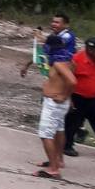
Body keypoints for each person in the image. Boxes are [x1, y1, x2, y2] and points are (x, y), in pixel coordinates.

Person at [33, 35, 76, 179]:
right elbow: (67, 80)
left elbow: (72, 81)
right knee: (59, 131)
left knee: (45, 135)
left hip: (54, 103)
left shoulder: (58, 63)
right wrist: (67, 97)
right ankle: (58, 160)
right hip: (59, 104)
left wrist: (64, 95)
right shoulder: (69, 61)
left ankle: (54, 169)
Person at [64, 37, 95, 159]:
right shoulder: (77, 59)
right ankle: (67, 146)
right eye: (90, 48)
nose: (92, 51)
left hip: (94, 98)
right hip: (78, 97)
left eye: (94, 49)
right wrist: (68, 98)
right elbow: (67, 78)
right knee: (73, 123)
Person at [21, 13, 77, 79]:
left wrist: (39, 36)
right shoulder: (53, 36)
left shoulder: (68, 35)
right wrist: (27, 65)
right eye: (53, 22)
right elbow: (42, 53)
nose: (53, 24)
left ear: (66, 25)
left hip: (66, 68)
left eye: (57, 22)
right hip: (56, 68)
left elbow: (56, 42)